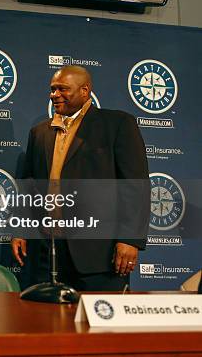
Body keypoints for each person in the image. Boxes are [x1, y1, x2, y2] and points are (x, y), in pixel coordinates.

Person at [11, 66, 150, 291]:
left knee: (101, 324)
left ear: (85, 91)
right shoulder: (39, 132)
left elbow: (136, 186)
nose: (54, 94)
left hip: (99, 256)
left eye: (62, 89)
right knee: (50, 322)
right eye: (52, 89)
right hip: (49, 251)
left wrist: (130, 239)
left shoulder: (117, 124)